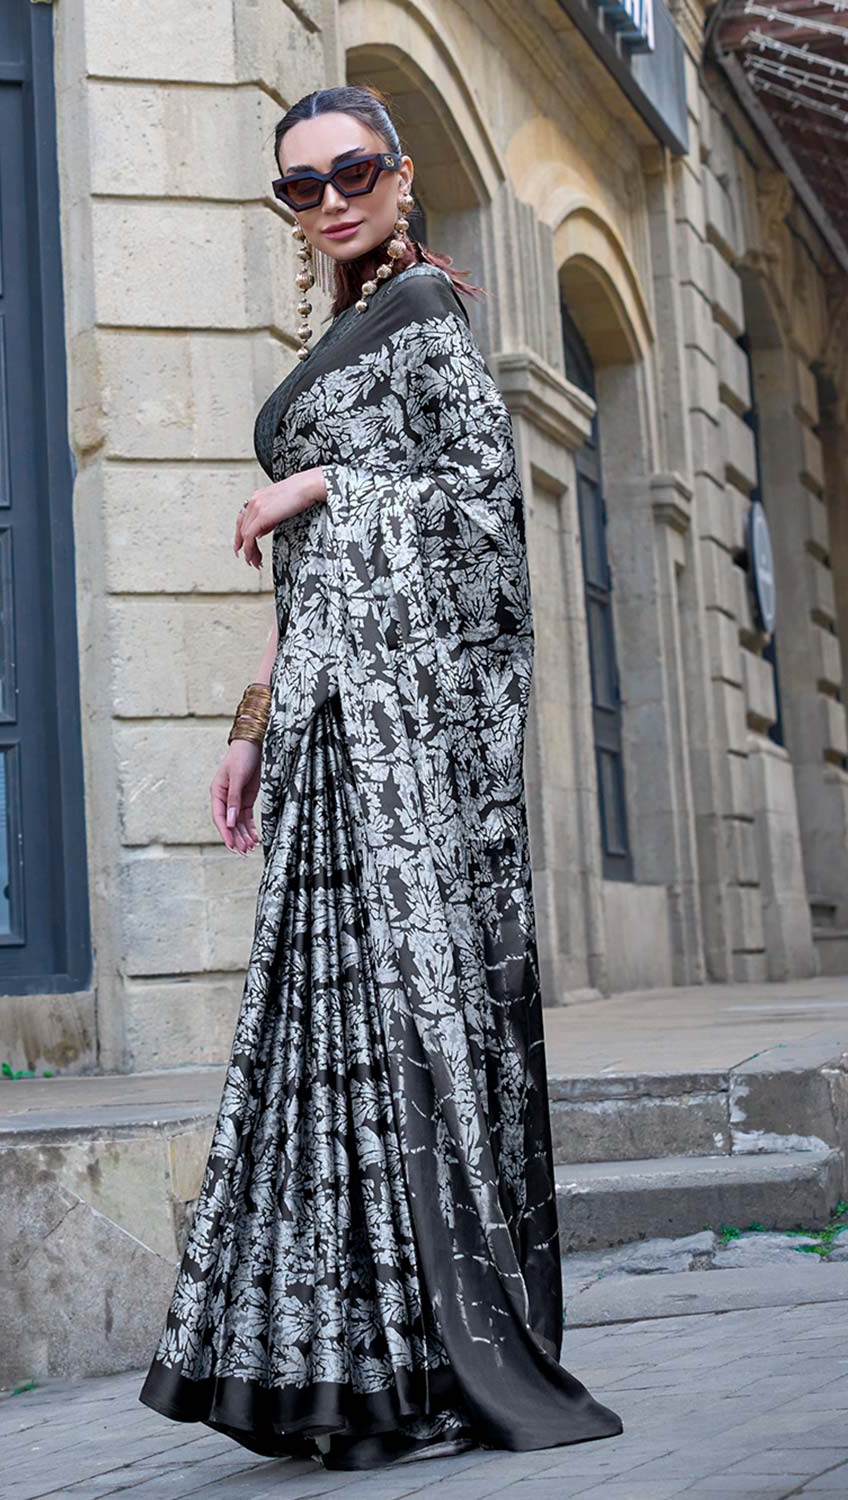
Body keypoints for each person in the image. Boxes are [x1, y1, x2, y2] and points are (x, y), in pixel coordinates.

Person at [138, 84, 624, 1472]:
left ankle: (421, 1364)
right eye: (303, 186)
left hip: (399, 763)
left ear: (402, 176)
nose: (333, 200)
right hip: (328, 738)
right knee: (330, 1039)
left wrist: (327, 489)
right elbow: (302, 596)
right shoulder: (343, 329)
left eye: (354, 172)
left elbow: (481, 516)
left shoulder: (426, 315)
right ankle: (349, 1371)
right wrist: (252, 724)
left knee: (396, 1029)